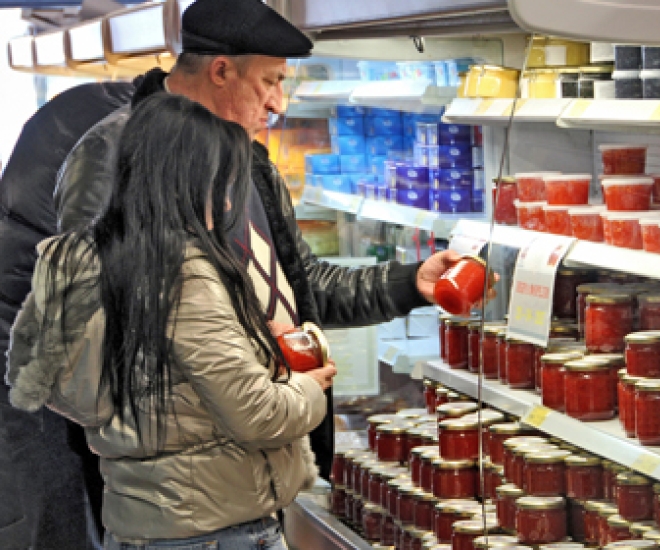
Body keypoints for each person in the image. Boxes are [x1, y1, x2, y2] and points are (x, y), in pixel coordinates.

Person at [53, 0, 460, 486]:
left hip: (259, 463)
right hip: (183, 488)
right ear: (221, 71)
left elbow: (300, 284)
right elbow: (88, 335)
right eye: (269, 81)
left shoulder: (249, 161)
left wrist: (410, 283)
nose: (278, 104)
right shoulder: (113, 156)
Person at [8, 92, 336, 548]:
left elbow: (93, 392)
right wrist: (310, 388)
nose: (227, 203)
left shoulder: (92, 259)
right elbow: (259, 415)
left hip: (136, 524)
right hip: (213, 528)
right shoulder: (183, 273)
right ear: (186, 178)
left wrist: (251, 340)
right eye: (222, 181)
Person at [0, 80, 135, 549]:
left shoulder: (83, 104)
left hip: (21, 351)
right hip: (30, 379)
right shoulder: (111, 132)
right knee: (53, 521)